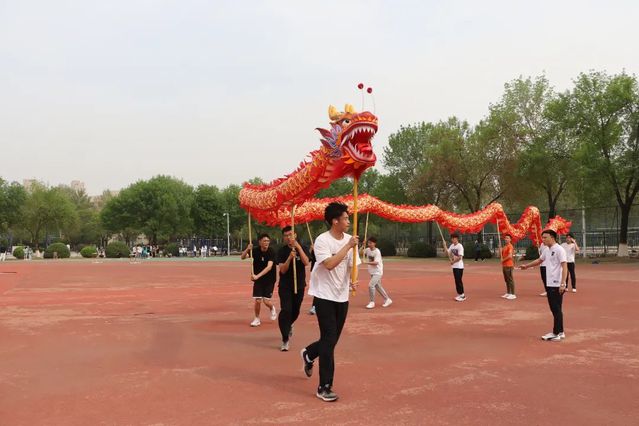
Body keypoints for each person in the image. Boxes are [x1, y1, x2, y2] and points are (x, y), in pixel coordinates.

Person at [300, 202, 360, 402]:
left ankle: (309, 354)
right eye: (345, 218)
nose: (348, 221)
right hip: (324, 296)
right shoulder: (322, 241)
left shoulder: (350, 240)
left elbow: (353, 266)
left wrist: (353, 280)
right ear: (335, 221)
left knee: (331, 340)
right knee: (328, 339)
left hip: (342, 297)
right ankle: (324, 387)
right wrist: (348, 246)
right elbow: (329, 264)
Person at [520, 229, 568, 341]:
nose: (543, 240)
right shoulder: (547, 250)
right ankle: (560, 331)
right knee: (556, 308)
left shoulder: (559, 249)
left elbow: (564, 266)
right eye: (542, 237)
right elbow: (539, 260)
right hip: (550, 283)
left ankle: (556, 333)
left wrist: (563, 283)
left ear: (552, 237)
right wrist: (526, 266)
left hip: (556, 284)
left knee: (555, 308)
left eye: (545, 237)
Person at [277, 226, 310, 351]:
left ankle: (289, 324)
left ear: (295, 235)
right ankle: (285, 339)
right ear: (283, 237)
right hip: (285, 286)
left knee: (295, 311)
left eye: (290, 234)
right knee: (286, 310)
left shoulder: (303, 248)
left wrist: (298, 248)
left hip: (299, 285)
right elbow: (283, 270)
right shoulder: (282, 251)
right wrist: (290, 258)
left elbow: (306, 262)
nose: (288, 237)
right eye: (286, 235)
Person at [241, 234, 277, 327]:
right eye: (264, 241)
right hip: (258, 280)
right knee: (258, 300)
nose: (266, 243)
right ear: (260, 242)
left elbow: (269, 267)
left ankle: (272, 307)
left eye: (268, 241)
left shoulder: (271, 251)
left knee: (266, 301)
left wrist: (257, 276)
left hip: (269, 279)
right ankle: (257, 318)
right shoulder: (255, 251)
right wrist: (247, 249)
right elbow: (243, 257)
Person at [363, 237, 392, 309]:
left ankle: (372, 302)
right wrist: (362, 245)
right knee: (378, 286)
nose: (369, 244)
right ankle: (387, 299)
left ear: (374, 243)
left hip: (377, 272)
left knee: (371, 285)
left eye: (371, 243)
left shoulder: (377, 251)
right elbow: (359, 252)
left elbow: (376, 262)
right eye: (368, 243)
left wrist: (366, 262)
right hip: (372, 272)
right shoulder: (367, 250)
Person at [448, 233, 465, 301]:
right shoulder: (452, 246)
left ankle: (462, 295)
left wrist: (453, 262)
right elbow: (448, 253)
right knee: (456, 281)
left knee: (458, 280)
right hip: (454, 267)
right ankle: (459, 294)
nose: (452, 239)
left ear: (457, 238)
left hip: (459, 266)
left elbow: (460, 257)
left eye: (453, 238)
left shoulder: (460, 246)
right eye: (451, 238)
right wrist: (444, 246)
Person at [499, 234, 516, 300]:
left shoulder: (510, 246)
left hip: (509, 265)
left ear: (510, 239)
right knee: (506, 280)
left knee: (510, 279)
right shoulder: (504, 247)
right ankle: (508, 292)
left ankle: (513, 294)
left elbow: (510, 256)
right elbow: (500, 255)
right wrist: (499, 249)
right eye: (505, 238)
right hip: (504, 265)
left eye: (507, 238)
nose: (506, 239)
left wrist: (503, 260)